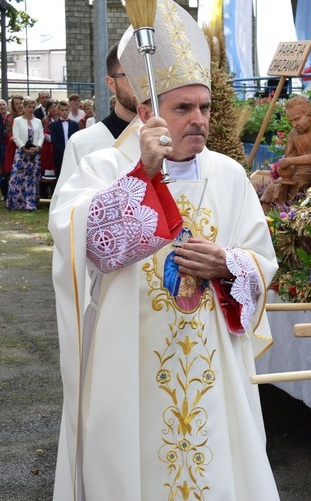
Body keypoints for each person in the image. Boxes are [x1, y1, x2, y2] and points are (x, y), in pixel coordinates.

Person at [49, 1, 279, 499]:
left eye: (206, 107)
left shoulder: (229, 175)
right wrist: (143, 178)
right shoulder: (105, 168)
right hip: (129, 365)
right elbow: (86, 247)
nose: (199, 119)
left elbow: (263, 261)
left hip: (212, 369)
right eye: (184, 109)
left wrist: (228, 263)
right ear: (150, 111)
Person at [54, 41, 139, 189]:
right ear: (111, 83)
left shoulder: (175, 139)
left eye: (151, 74)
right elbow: (67, 209)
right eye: (132, 74)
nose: (144, 83)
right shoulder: (82, 143)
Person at [259, 95, 311, 211]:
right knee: (272, 189)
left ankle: (289, 217)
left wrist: (290, 161)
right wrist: (285, 168)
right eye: (291, 121)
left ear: (310, 115)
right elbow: (290, 156)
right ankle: (269, 220)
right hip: (296, 172)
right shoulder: (293, 134)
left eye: (297, 119)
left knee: (296, 186)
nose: (294, 124)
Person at [6, 97, 43, 210]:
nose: (31, 109)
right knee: (18, 177)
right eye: (29, 107)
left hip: (34, 153)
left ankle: (31, 202)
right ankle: (16, 202)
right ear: (24, 107)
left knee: (32, 178)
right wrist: (23, 148)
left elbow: (41, 136)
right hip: (21, 153)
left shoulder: (38, 121)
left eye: (33, 107)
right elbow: (15, 136)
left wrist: (37, 147)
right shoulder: (18, 120)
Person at [49, 100, 80, 178]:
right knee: (59, 176)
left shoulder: (75, 124)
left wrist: (70, 151)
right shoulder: (53, 125)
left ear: (69, 110)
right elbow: (54, 140)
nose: (64, 112)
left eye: (66, 110)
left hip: (71, 154)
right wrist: (63, 151)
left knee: (72, 176)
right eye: (62, 110)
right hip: (59, 155)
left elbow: (76, 139)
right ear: (59, 111)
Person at [2, 95, 24, 196]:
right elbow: (8, 133)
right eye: (17, 104)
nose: (19, 106)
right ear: (13, 105)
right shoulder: (9, 117)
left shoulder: (29, 115)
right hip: (13, 146)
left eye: (21, 103)